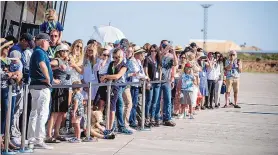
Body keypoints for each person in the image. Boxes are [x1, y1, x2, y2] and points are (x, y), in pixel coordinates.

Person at [27, 33, 54, 149]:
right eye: (48, 42)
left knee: (34, 113)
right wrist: (48, 78)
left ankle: (32, 139)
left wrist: (53, 79)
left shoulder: (36, 52)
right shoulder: (40, 52)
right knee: (42, 113)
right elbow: (42, 65)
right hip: (42, 87)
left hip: (35, 86)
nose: (49, 44)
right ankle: (38, 139)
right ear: (44, 41)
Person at [100, 48, 133, 134]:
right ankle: (118, 126)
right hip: (111, 86)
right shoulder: (111, 63)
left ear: (122, 56)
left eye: (118, 57)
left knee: (119, 104)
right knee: (117, 105)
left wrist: (106, 76)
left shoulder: (124, 65)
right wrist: (106, 78)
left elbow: (117, 76)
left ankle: (120, 126)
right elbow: (109, 74)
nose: (116, 59)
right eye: (114, 57)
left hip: (119, 86)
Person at [45, 44, 72, 143]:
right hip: (58, 88)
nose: (65, 53)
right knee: (55, 113)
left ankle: (56, 133)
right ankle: (49, 134)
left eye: (66, 51)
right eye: (63, 51)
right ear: (59, 52)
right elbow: (46, 65)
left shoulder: (66, 61)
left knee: (61, 113)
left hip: (66, 89)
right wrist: (56, 68)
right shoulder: (57, 60)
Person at [156, 40, 178, 127]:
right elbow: (160, 59)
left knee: (168, 100)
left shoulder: (171, 56)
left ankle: (167, 118)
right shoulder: (159, 54)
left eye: (167, 45)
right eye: (164, 45)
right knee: (157, 100)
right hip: (158, 81)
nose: (166, 46)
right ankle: (157, 118)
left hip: (167, 81)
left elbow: (176, 63)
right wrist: (164, 50)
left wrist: (173, 52)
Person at [126, 46, 147, 129]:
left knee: (134, 104)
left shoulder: (136, 61)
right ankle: (132, 120)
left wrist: (143, 76)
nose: (142, 55)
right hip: (132, 84)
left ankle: (133, 120)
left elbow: (138, 73)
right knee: (131, 104)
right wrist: (144, 77)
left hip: (136, 84)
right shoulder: (131, 61)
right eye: (141, 53)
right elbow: (136, 73)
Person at [144, 44, 161, 126]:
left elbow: (160, 69)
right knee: (149, 101)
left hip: (157, 83)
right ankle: (146, 118)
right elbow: (145, 71)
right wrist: (148, 81)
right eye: (151, 51)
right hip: (150, 82)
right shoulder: (147, 59)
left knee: (155, 101)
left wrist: (160, 80)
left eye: (155, 51)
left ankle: (152, 118)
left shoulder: (158, 59)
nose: (153, 52)